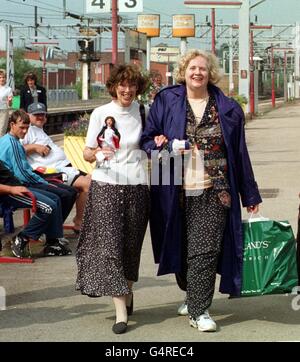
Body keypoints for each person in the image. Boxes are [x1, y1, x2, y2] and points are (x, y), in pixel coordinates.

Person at [140, 49, 262, 332]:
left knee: (204, 250)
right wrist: (161, 144)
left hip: (214, 188)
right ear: (184, 71)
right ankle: (191, 292)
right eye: (192, 68)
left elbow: (240, 154)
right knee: (180, 247)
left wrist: (250, 194)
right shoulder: (166, 100)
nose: (197, 73)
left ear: (211, 73)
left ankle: (199, 310)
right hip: (171, 186)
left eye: (203, 69)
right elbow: (146, 140)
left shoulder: (228, 108)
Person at [76, 64, 150, 335]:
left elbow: (151, 145)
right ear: (114, 87)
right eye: (122, 85)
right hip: (106, 185)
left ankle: (127, 292)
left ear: (137, 88)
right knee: (110, 248)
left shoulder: (144, 112)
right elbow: (85, 151)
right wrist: (96, 154)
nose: (127, 90)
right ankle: (120, 311)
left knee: (131, 246)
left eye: (132, 85)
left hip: (138, 186)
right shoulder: (100, 113)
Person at [0, 110, 77, 252]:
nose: (25, 131)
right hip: (17, 186)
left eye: (27, 128)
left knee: (63, 194)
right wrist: (44, 182)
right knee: (56, 199)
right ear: (12, 125)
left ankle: (53, 238)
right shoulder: (12, 144)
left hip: (19, 183)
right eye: (22, 127)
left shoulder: (9, 140)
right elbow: (21, 174)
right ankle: (31, 237)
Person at [22, 102, 91, 233]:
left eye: (42, 114)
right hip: (51, 172)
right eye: (36, 115)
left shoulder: (39, 130)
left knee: (94, 178)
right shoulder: (27, 130)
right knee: (88, 184)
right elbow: (17, 149)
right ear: (28, 115)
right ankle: (79, 222)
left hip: (65, 168)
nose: (40, 117)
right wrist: (35, 147)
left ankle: (81, 219)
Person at [0, 160, 71, 257]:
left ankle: (53, 242)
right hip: (8, 192)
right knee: (48, 207)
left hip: (16, 186)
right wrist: (11, 189)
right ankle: (22, 238)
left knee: (56, 198)